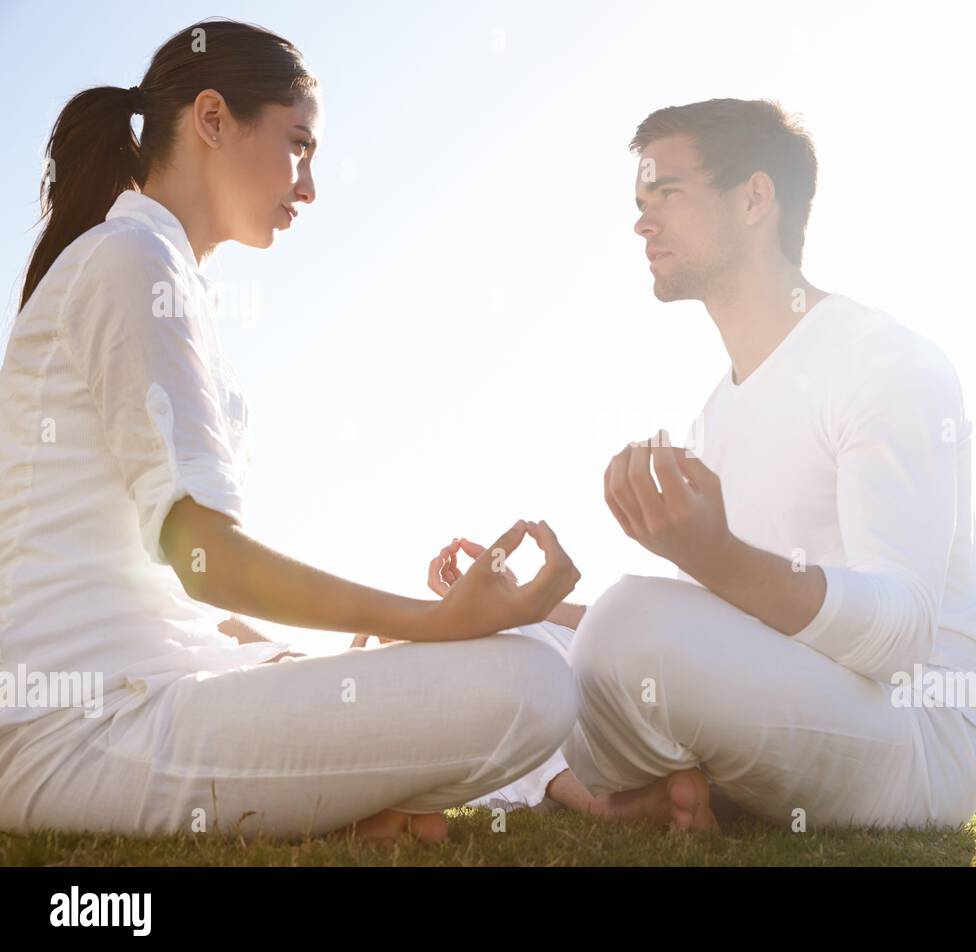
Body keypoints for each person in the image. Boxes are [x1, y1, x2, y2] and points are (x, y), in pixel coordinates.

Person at [0, 19, 581, 845]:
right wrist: (432, 619)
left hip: (155, 692)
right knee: (533, 682)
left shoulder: (153, 272)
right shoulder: (130, 262)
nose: (308, 185)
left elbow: (176, 587)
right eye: (297, 145)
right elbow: (207, 561)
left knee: (517, 658)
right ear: (211, 118)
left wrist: (308, 660)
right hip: (78, 732)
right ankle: (329, 808)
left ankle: (329, 813)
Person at [556, 98, 976, 831]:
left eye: (666, 194)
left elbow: (902, 637)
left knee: (624, 623)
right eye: (640, 203)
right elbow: (719, 627)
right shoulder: (715, 413)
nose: (642, 222)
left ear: (754, 199)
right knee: (531, 651)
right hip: (803, 706)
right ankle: (645, 794)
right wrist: (536, 612)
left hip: (916, 737)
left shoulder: (882, 360)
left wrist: (715, 555)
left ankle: (605, 796)